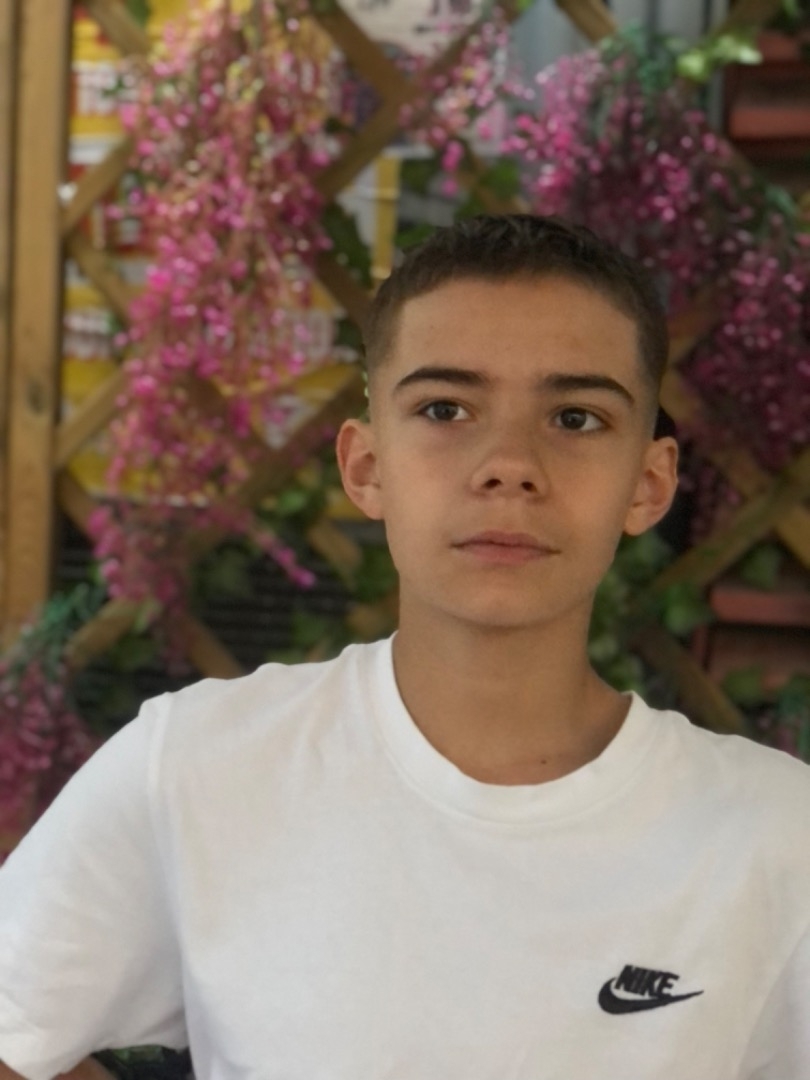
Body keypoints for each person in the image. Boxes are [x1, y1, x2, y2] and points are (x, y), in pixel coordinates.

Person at [1, 214, 808, 1080]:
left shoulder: (778, 835)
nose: (509, 463)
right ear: (367, 467)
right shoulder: (198, 766)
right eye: (444, 409)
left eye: (575, 417)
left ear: (648, 484)